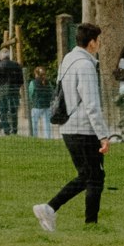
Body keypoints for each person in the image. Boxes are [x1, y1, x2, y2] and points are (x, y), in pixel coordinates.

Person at [40, 28, 113, 233]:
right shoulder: (86, 65)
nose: (99, 43)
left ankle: (54, 210)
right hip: (84, 128)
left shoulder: (68, 60)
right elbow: (92, 104)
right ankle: (85, 221)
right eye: (98, 40)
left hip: (68, 127)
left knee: (87, 175)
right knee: (94, 176)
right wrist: (103, 135)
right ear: (91, 42)